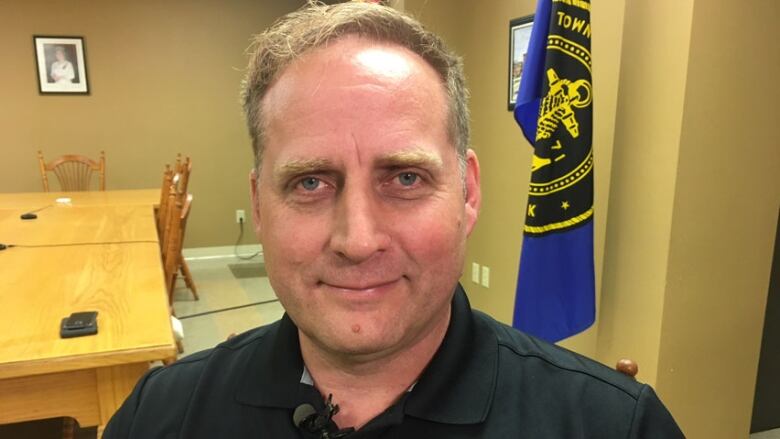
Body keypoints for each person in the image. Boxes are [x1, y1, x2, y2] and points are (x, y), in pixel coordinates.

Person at [104, 2, 684, 437]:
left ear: (468, 192)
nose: (358, 241)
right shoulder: (160, 416)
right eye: (310, 182)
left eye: (405, 178)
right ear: (259, 205)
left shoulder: (615, 427)